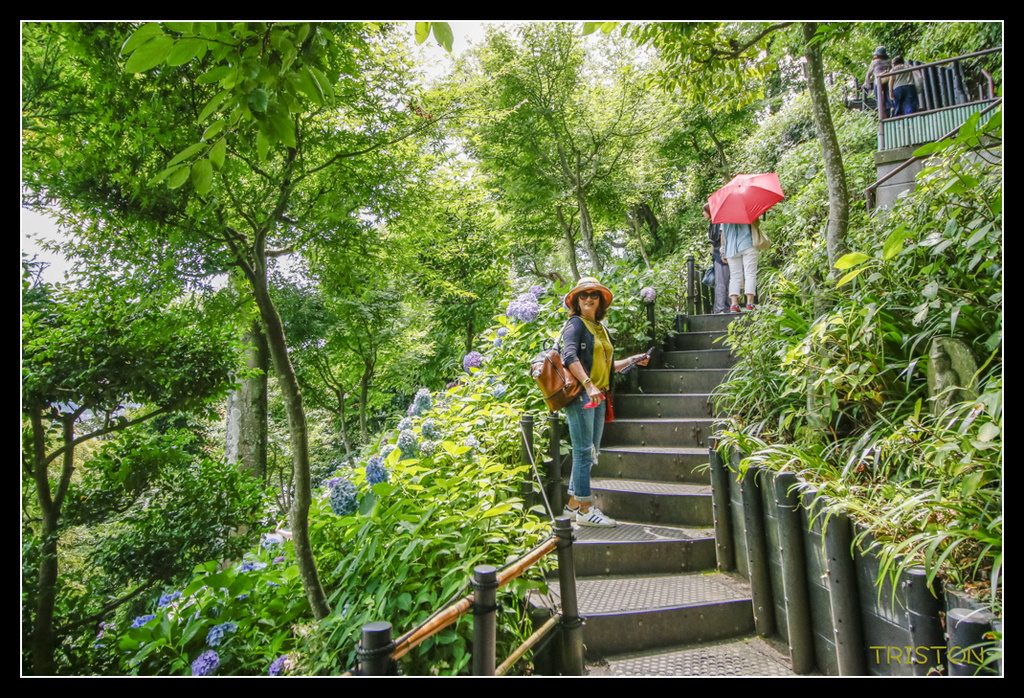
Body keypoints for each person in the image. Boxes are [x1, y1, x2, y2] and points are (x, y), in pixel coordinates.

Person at [560, 277, 651, 527]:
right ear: (576, 301)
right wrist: (588, 385)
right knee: (582, 451)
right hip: (582, 396)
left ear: (600, 300)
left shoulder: (600, 328)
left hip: (599, 395)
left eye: (594, 294)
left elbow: (608, 365)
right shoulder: (575, 325)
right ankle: (586, 511)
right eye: (583, 294)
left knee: (590, 452)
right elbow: (568, 356)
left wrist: (633, 359)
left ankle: (571, 507)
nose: (589, 298)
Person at [720, 219, 760, 312]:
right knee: (750, 274)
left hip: (731, 248)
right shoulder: (747, 209)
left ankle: (734, 304)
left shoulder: (724, 213)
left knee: (734, 276)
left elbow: (722, 233)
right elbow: (757, 224)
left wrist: (722, 251)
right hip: (748, 244)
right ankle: (750, 303)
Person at [704, 203, 731, 314]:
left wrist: (714, 256)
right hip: (722, 254)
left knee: (721, 282)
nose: (703, 213)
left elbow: (714, 242)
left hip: (721, 254)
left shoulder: (716, 222)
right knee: (724, 282)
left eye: (705, 211)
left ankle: (721, 308)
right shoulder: (715, 222)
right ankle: (724, 307)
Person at [863, 46, 892, 114]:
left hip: (878, 81)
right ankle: (890, 108)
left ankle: (881, 111)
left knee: (878, 98)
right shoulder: (888, 61)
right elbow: (891, 69)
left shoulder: (875, 62)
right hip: (887, 80)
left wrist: (867, 83)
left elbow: (868, 74)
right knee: (888, 95)